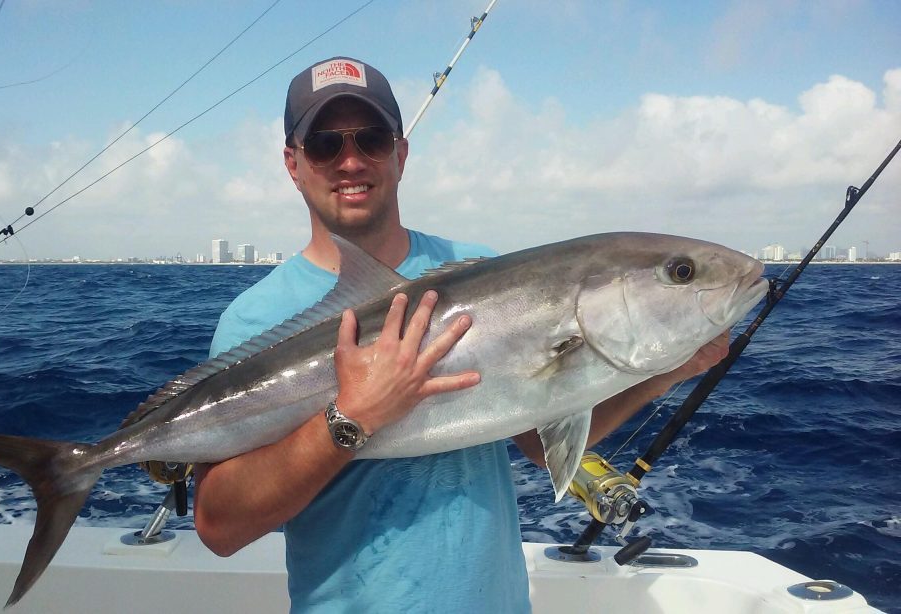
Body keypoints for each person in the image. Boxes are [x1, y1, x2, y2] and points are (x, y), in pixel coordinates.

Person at [193, 57, 730, 613]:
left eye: (371, 139)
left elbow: (539, 435)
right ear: (293, 162)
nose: (350, 161)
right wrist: (350, 420)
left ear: (400, 154)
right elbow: (220, 527)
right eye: (326, 144)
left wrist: (668, 367)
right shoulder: (254, 321)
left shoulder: (482, 271)